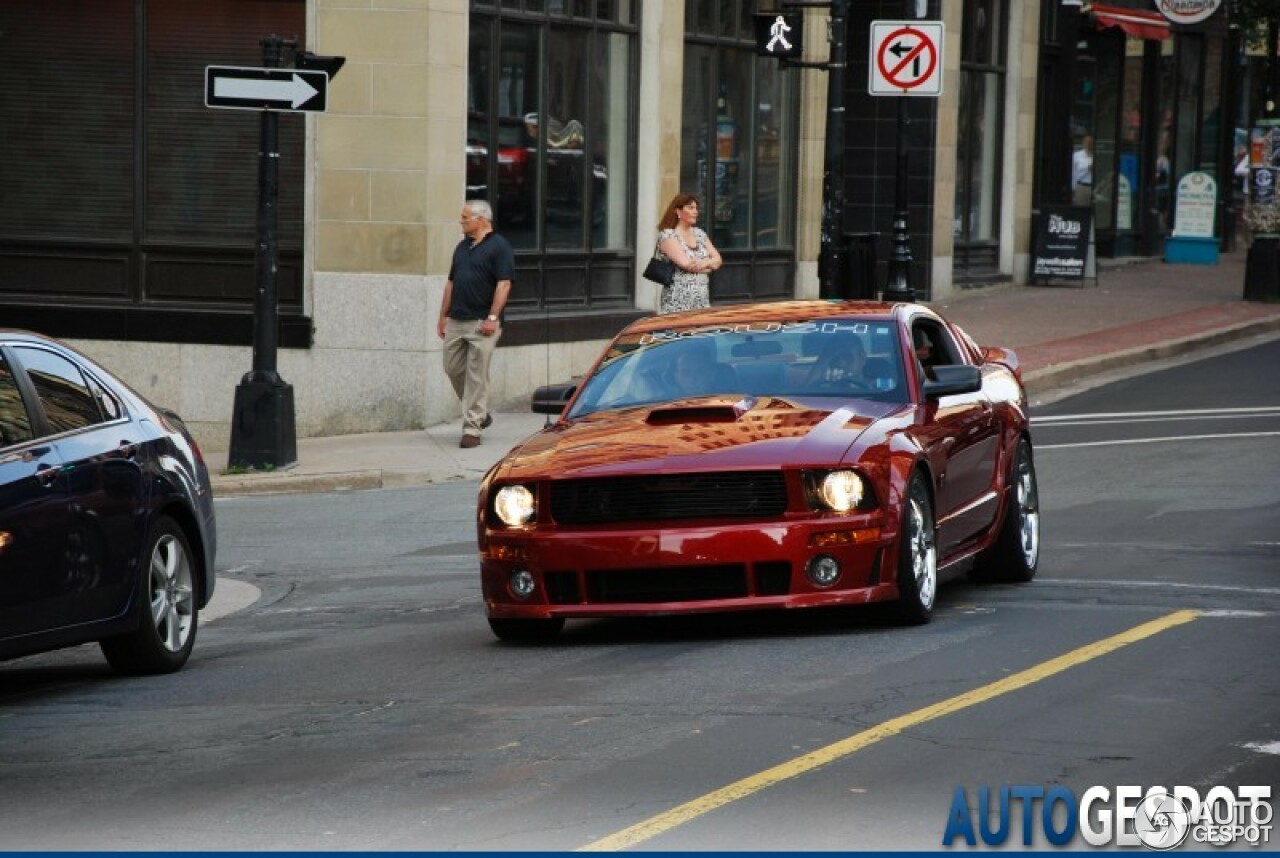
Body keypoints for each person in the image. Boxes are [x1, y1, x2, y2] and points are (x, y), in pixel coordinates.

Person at [437, 200, 513, 449]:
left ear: (481, 220)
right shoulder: (462, 247)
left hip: (482, 322)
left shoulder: (499, 246)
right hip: (457, 320)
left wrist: (492, 317)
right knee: (452, 368)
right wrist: (442, 315)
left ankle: (472, 428)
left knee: (477, 376)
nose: (461, 222)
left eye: (465, 217)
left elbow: (504, 284)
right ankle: (481, 413)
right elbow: (451, 283)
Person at [654, 193, 723, 314]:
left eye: (696, 208)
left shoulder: (699, 234)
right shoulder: (668, 235)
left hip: (702, 300)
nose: (695, 211)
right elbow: (687, 264)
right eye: (690, 208)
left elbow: (718, 259)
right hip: (677, 301)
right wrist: (709, 267)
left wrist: (704, 263)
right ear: (678, 211)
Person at [1071, 134, 1093, 207]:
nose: (1089, 144)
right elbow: (1073, 173)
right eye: (1087, 142)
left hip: (1095, 188)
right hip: (1081, 187)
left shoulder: (1097, 155)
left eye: (1091, 142)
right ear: (1083, 143)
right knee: (1080, 210)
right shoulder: (1076, 155)